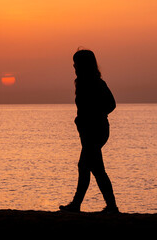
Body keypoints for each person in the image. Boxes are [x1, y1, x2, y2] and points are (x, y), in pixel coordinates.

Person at [59, 49, 120, 213]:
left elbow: (111, 105)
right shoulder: (81, 83)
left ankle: (80, 205)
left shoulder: (96, 83)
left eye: (76, 63)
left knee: (87, 166)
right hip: (87, 131)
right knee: (92, 168)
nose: (74, 66)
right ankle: (108, 206)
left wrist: (95, 115)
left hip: (97, 131)